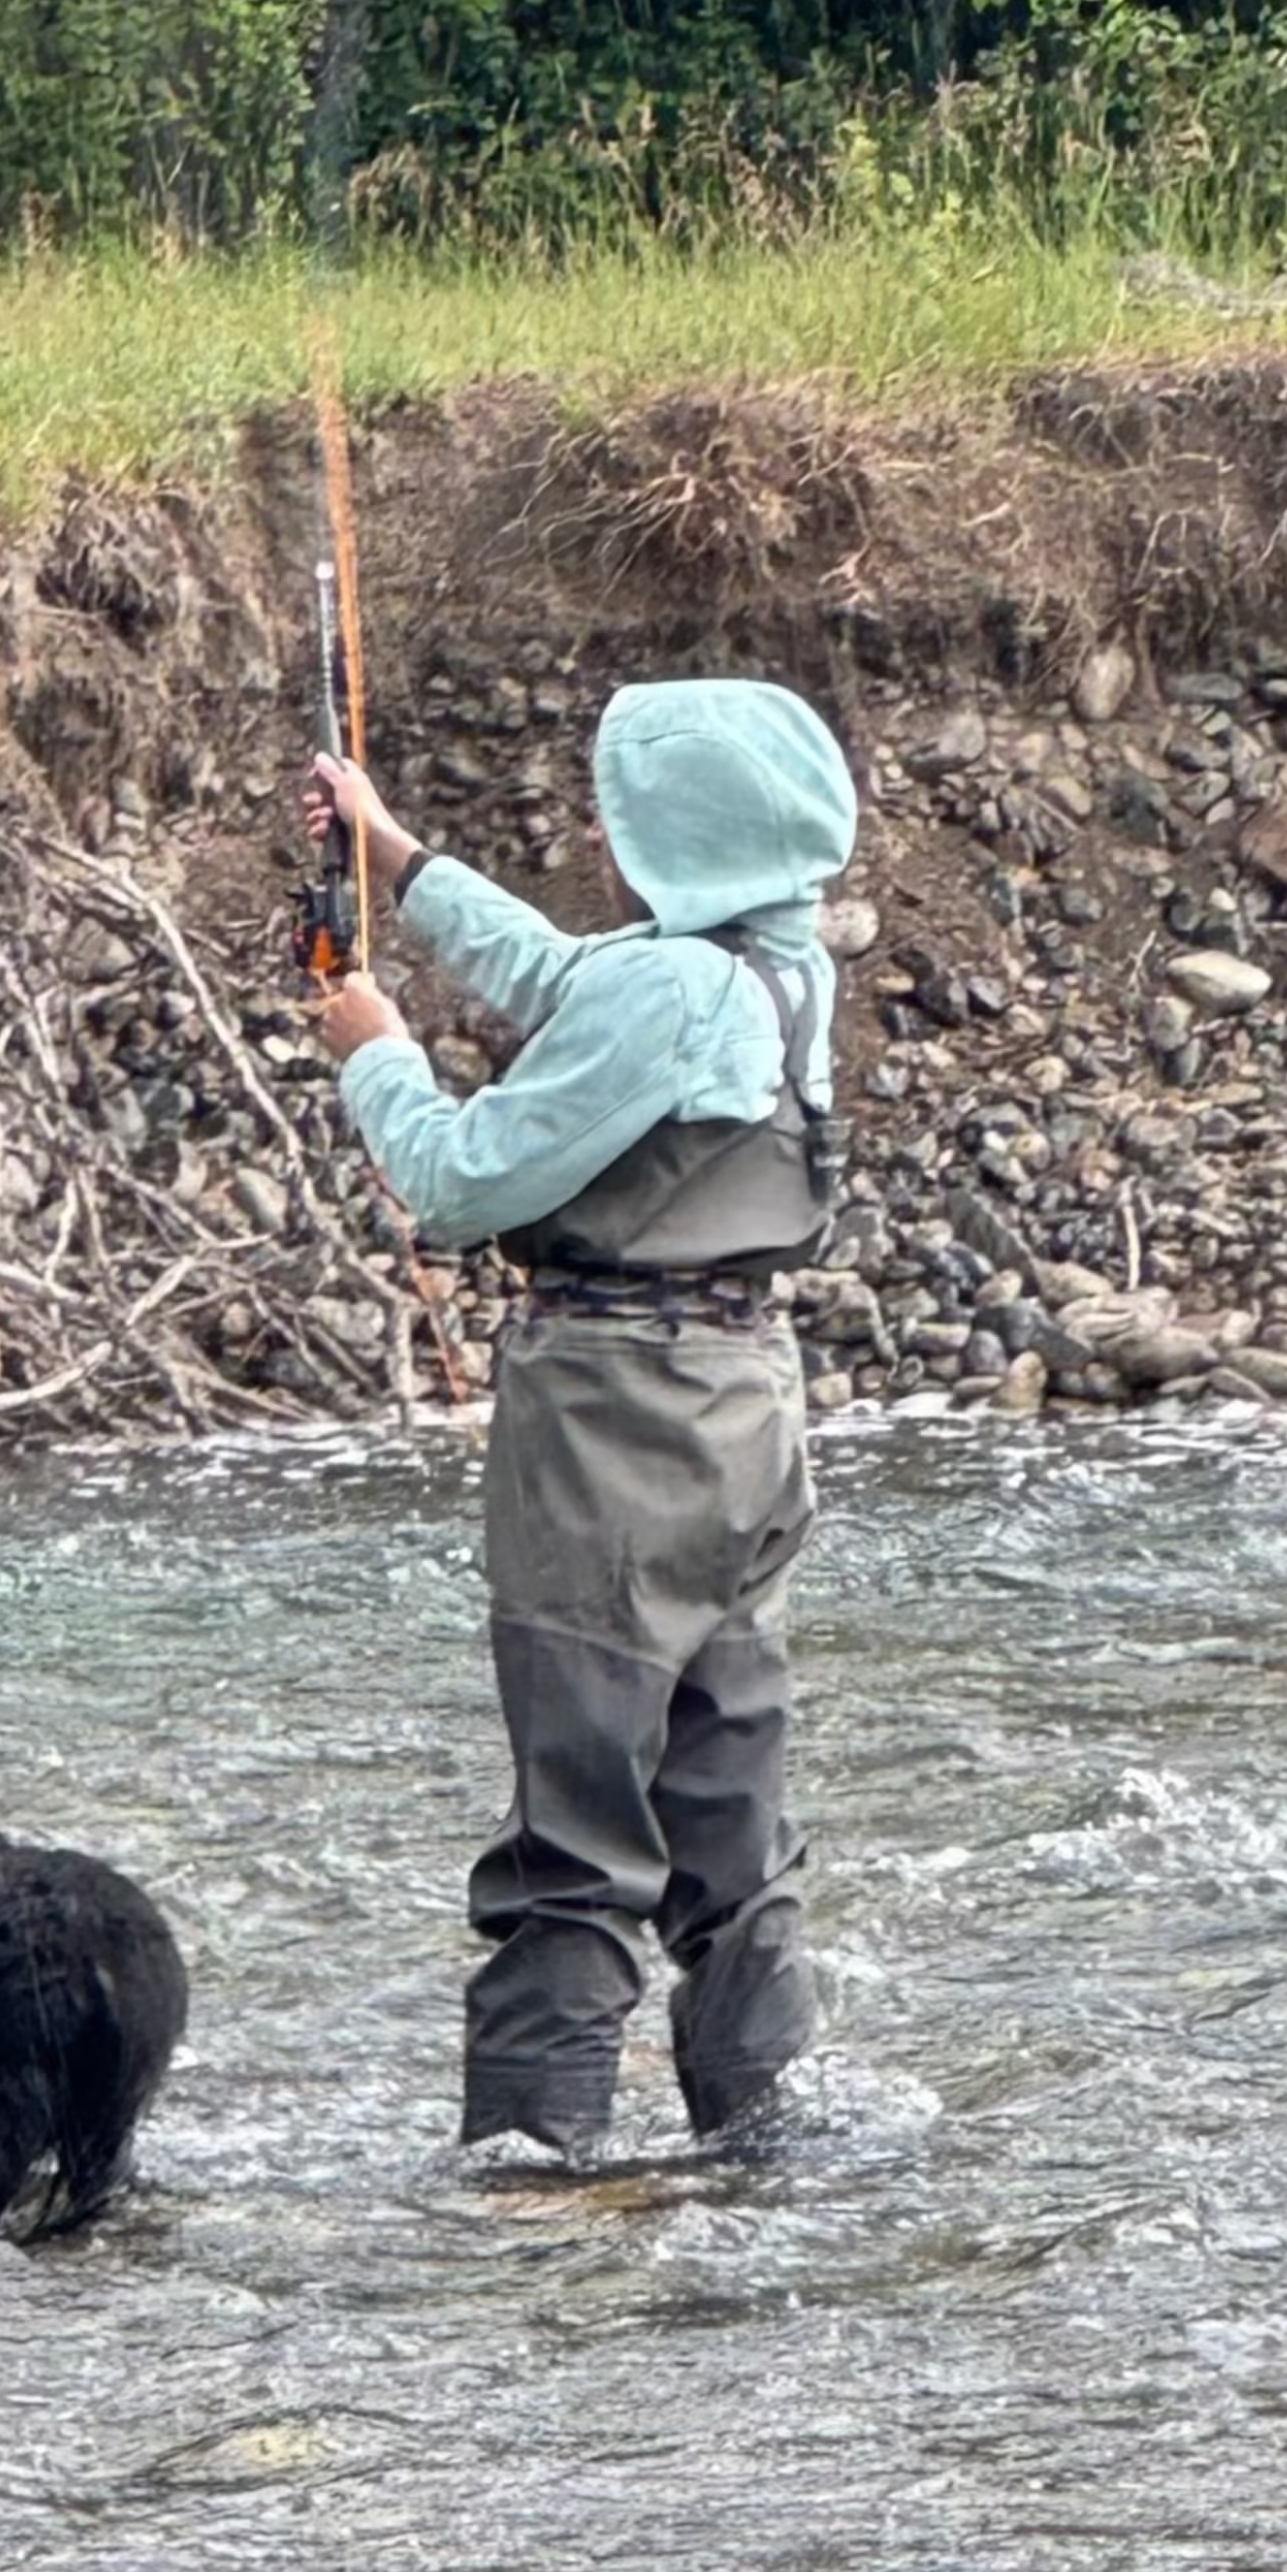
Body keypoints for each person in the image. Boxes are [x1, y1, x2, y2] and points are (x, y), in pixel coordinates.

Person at [303, 675, 859, 2166]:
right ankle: (766, 2146)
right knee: (729, 1826)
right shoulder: (779, 965)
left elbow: (459, 1182)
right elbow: (571, 983)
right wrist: (399, 858)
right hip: (746, 1420)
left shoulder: (665, 989)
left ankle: (531, 2178)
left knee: (575, 1834)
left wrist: (370, 1045)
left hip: (612, 1434)